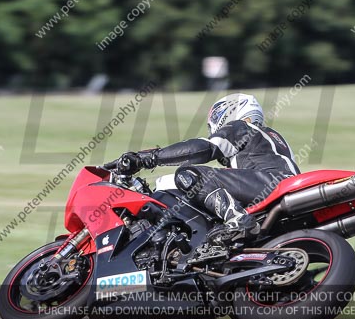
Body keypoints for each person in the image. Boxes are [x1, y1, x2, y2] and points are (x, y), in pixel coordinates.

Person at [121, 93, 299, 243]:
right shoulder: (269, 138)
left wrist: (150, 158)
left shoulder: (240, 127)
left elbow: (203, 148)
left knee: (188, 174)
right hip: (277, 186)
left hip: (271, 184)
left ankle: (238, 221)